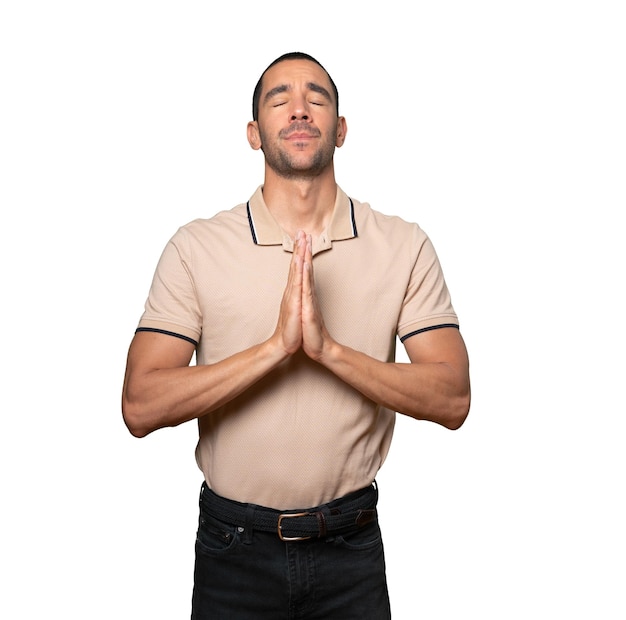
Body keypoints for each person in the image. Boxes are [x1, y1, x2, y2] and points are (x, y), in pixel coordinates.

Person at [122, 51, 470, 619]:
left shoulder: (404, 245)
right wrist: (275, 350)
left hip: (350, 547)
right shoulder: (195, 247)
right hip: (233, 547)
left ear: (341, 128)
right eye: (279, 99)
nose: (300, 109)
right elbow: (139, 405)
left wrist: (328, 351)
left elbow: (453, 398)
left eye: (317, 98)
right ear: (255, 134)